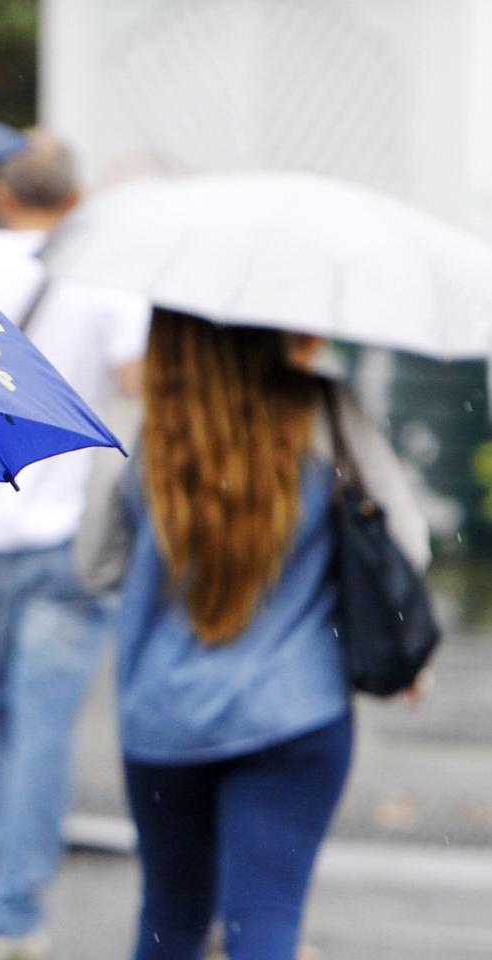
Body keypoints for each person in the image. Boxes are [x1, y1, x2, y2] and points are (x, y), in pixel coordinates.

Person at [76, 311, 428, 959]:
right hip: (298, 712)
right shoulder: (325, 408)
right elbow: (409, 542)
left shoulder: (145, 422)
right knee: (265, 921)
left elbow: (94, 563)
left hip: (164, 718)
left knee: (170, 921)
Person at [0, 131, 150, 959]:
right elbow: (138, 383)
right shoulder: (105, 271)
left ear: (2, 193)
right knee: (42, 725)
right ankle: (15, 916)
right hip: (64, 537)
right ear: (77, 197)